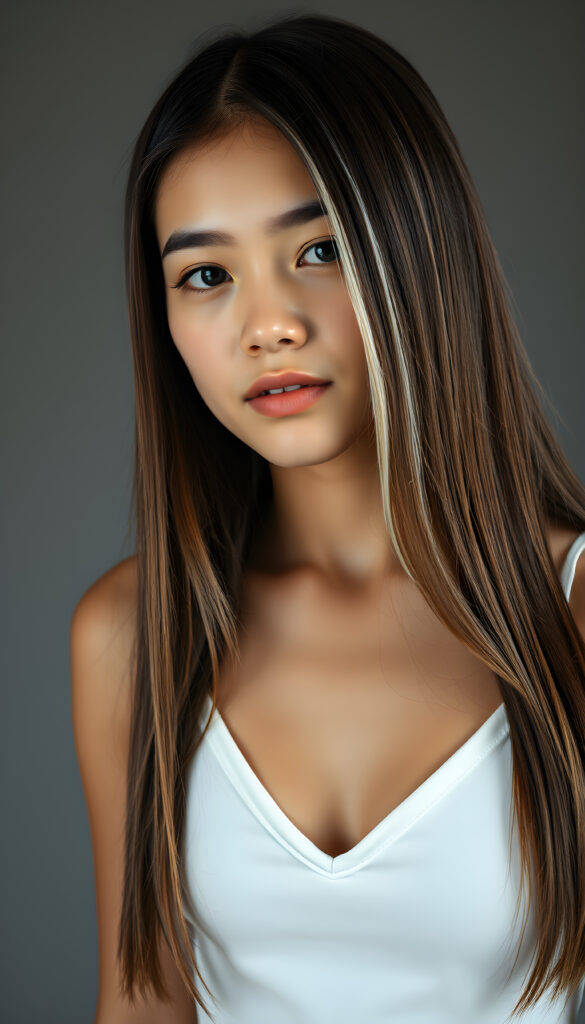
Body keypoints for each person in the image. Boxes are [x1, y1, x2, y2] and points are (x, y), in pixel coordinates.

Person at [70, 13, 585, 1024]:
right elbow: (140, 1003)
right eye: (206, 275)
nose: (268, 325)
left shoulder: (568, 612)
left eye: (320, 248)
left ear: (421, 250)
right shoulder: (130, 636)